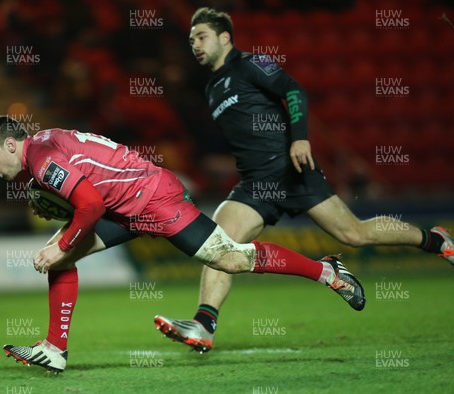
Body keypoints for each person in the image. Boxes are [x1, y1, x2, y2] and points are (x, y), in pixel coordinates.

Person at [153, 7, 454, 354]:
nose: (195, 44)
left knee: (354, 233)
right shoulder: (212, 88)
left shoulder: (252, 63)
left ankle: (435, 240)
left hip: (291, 168)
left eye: (201, 36)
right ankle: (204, 325)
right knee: (219, 243)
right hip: (255, 183)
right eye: (191, 40)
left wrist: (300, 137)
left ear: (224, 37)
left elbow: (293, 90)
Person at [0, 115, 365, 373]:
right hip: (126, 205)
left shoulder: (41, 161)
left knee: (230, 259)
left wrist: (63, 243)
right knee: (61, 256)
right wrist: (64, 239)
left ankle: (327, 270)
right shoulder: (42, 145)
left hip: (153, 200)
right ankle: (55, 349)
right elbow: (90, 189)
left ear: (11, 145)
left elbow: (89, 205)